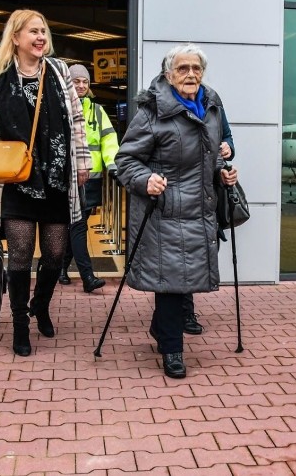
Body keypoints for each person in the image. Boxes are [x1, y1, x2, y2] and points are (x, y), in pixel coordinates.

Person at [0, 9, 91, 357]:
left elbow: (77, 120)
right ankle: (20, 324)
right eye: (33, 31)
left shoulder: (59, 72)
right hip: (16, 179)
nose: (40, 37)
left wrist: (82, 160)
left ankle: (41, 304)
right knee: (21, 253)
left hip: (55, 177)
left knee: (55, 253)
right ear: (15, 37)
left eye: (43, 31)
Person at [115, 43, 238, 379]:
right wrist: (146, 179)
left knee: (183, 281)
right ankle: (172, 350)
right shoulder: (152, 112)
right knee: (170, 282)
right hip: (164, 211)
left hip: (199, 209)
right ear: (168, 75)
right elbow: (125, 160)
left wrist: (222, 171)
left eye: (196, 68)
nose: (191, 74)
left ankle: (161, 330)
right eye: (183, 69)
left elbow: (210, 156)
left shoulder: (210, 107)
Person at [58, 64, 119, 293]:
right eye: (77, 81)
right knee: (77, 225)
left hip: (90, 180)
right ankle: (87, 276)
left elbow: (108, 140)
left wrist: (113, 165)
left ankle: (62, 268)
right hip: (68, 178)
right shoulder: (61, 108)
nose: (82, 86)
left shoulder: (96, 110)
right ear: (68, 84)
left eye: (85, 82)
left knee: (76, 226)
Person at [181, 111, 234, 335]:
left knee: (199, 254)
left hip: (209, 195)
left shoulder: (212, 108)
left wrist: (228, 149)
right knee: (182, 255)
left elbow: (228, 137)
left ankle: (173, 314)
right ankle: (183, 313)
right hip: (182, 193)